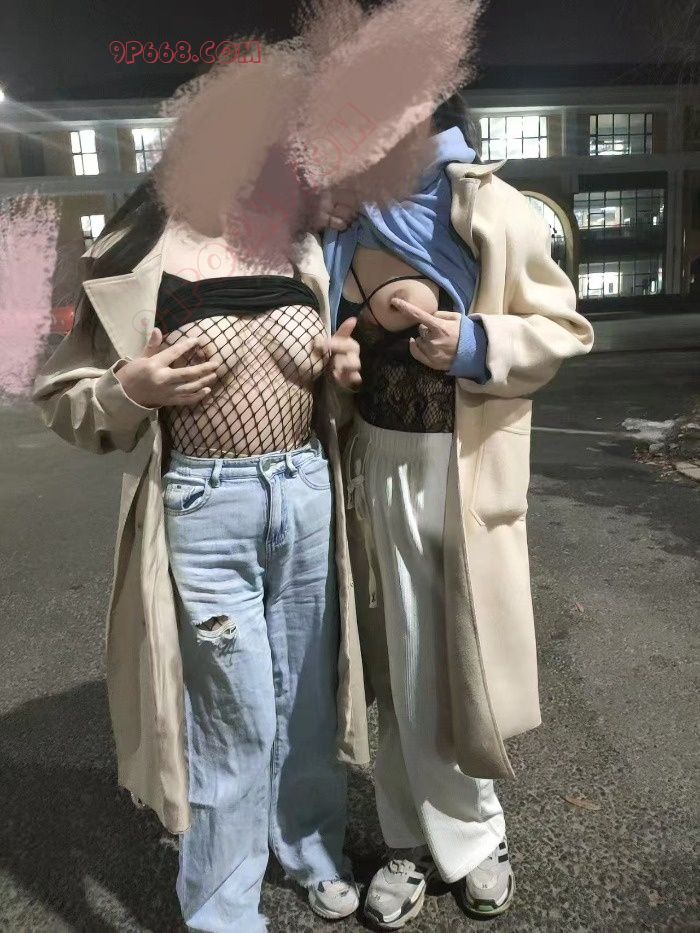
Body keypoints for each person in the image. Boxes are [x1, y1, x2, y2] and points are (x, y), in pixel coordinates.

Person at [31, 172, 366, 931]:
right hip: (205, 509)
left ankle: (311, 847)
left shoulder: (300, 245)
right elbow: (63, 397)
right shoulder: (136, 251)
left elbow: (328, 387)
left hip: (306, 492)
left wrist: (344, 377)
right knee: (233, 718)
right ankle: (222, 906)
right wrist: (131, 388)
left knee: (309, 697)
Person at [322, 93, 595, 928]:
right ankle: (407, 838)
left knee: (452, 666)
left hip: (459, 467)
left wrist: (474, 343)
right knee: (395, 662)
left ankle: (477, 836)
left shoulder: (490, 206)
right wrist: (338, 364)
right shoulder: (345, 219)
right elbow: (329, 331)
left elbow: (563, 327)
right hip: (372, 462)